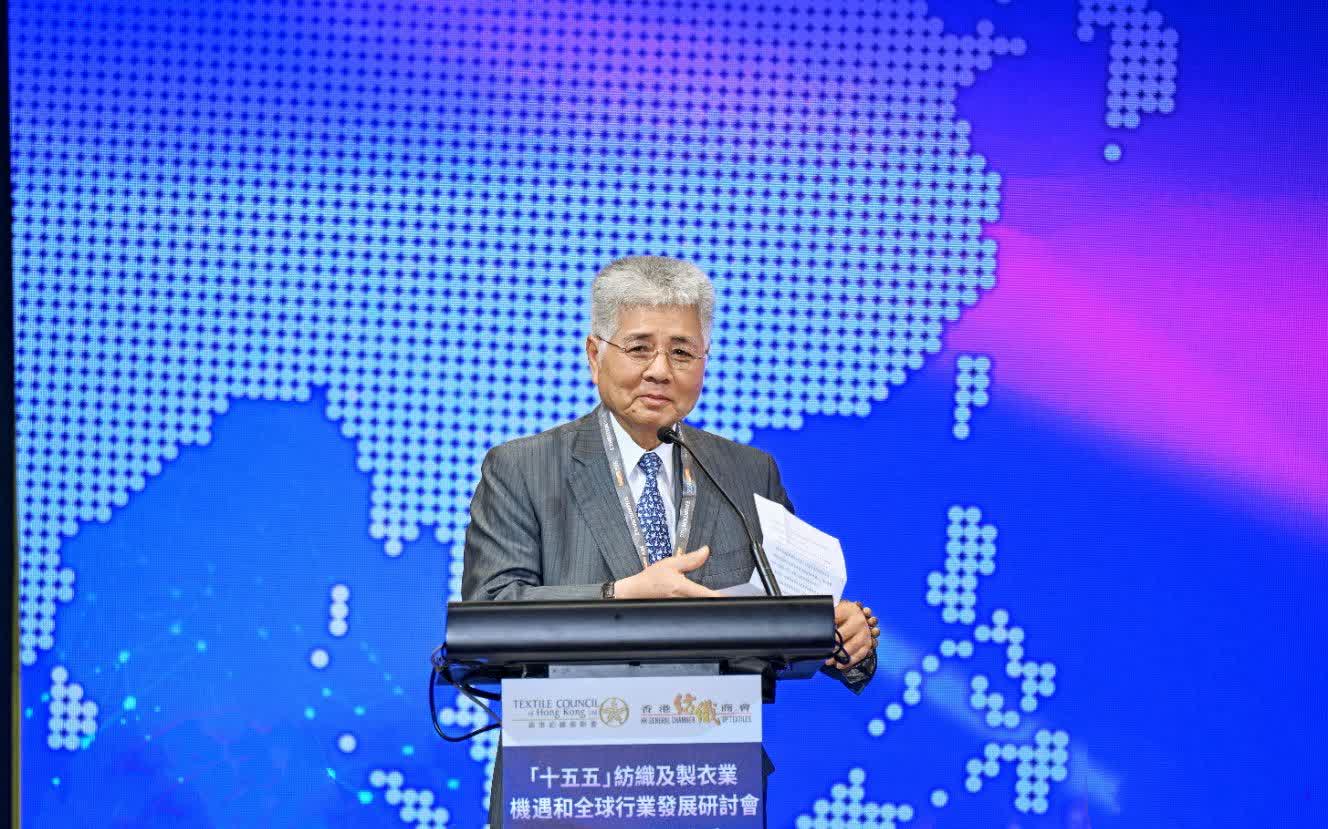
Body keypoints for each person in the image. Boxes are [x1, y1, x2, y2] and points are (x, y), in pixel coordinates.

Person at [461, 255, 879, 824]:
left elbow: (785, 613)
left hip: (706, 784)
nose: (660, 370)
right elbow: (490, 608)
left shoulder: (747, 473)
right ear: (594, 354)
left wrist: (841, 634)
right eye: (639, 348)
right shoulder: (523, 468)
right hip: (562, 780)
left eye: (682, 352)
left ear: (704, 362)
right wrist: (619, 596)